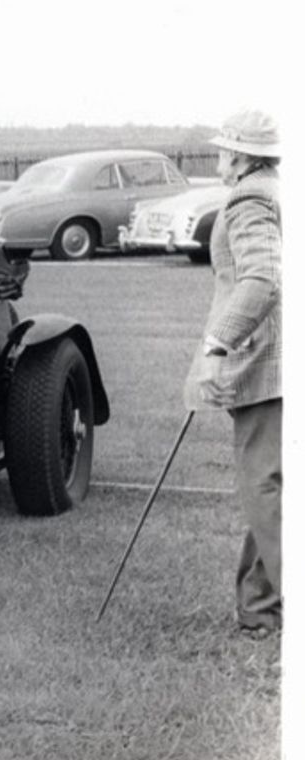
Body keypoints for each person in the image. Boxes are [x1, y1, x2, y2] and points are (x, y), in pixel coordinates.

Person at [183, 109, 281, 639]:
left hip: (271, 367)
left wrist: (217, 347)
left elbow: (262, 280)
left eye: (224, 151)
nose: (219, 158)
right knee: (274, 490)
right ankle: (259, 611)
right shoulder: (280, 190)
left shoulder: (250, 198)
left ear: (241, 157)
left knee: (267, 491)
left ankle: (271, 606)